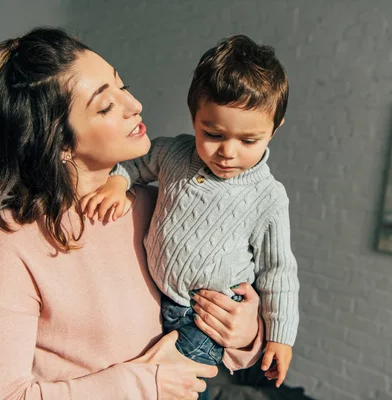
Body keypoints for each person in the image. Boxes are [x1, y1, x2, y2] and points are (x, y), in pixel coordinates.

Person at [0, 27, 265, 400]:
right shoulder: (10, 242)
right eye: (105, 106)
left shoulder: (161, 204)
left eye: (121, 86)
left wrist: (245, 332)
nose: (134, 104)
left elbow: (218, 325)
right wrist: (141, 384)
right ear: (59, 143)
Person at [80, 34, 300, 388]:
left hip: (206, 318)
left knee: (178, 388)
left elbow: (278, 271)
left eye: (248, 141)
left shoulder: (269, 197)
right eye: (213, 134)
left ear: (274, 130)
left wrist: (280, 336)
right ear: (194, 118)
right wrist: (118, 183)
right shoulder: (175, 154)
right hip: (157, 303)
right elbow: (135, 164)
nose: (228, 152)